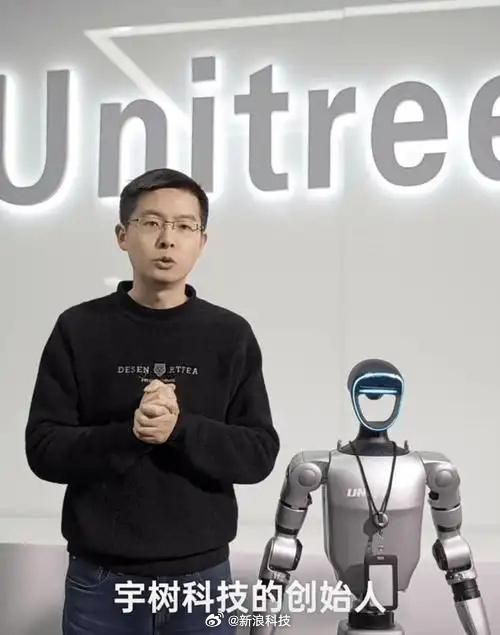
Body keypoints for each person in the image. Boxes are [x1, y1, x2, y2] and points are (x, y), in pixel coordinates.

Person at [24, 167, 280, 634]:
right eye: (152, 223)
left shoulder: (229, 335)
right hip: (101, 579)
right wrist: (131, 434)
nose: (168, 239)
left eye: (185, 226)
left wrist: (180, 429)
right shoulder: (79, 329)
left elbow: (258, 453)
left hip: (203, 579)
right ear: (123, 235)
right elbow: (43, 448)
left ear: (202, 241)